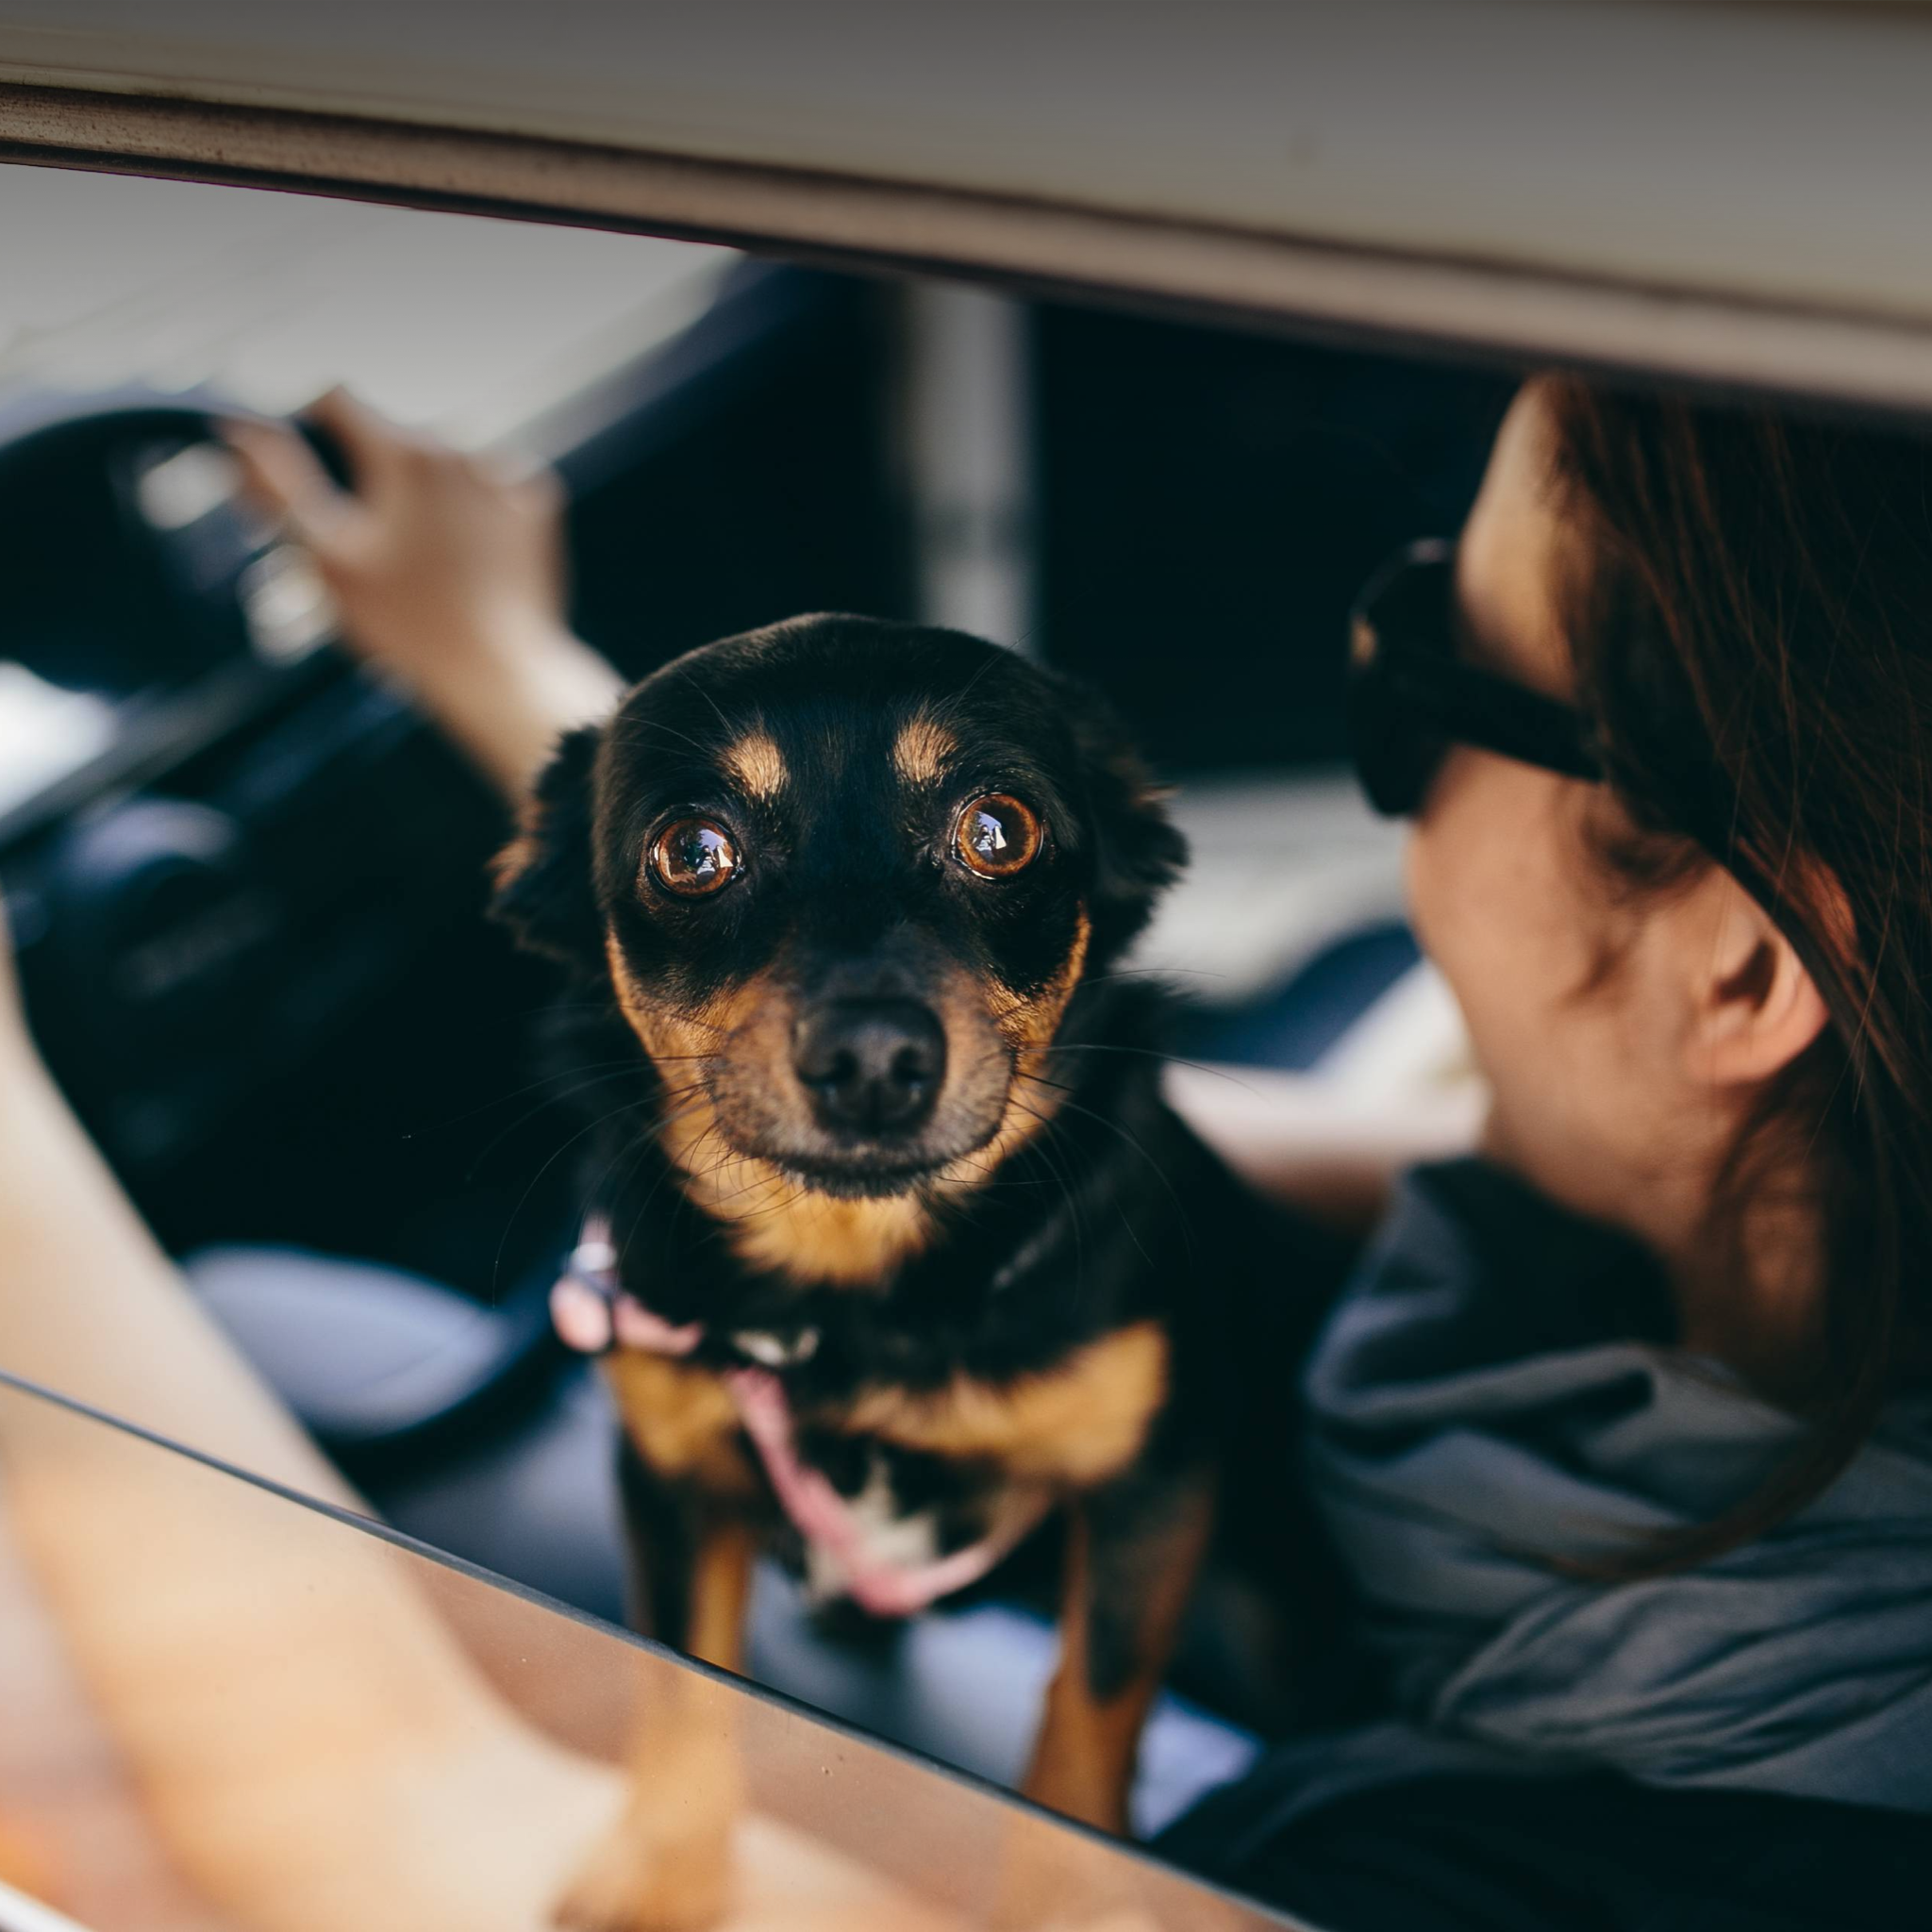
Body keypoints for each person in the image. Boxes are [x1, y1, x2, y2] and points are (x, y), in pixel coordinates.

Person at [228, 378, 1932, 1927]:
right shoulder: (1791, 1249)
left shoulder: (1492, 1878)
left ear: (1746, 968)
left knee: (262, 1333)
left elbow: (394, 1820)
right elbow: (1164, 1127)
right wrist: (521, 690)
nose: (1383, 701)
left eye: (1431, 654)